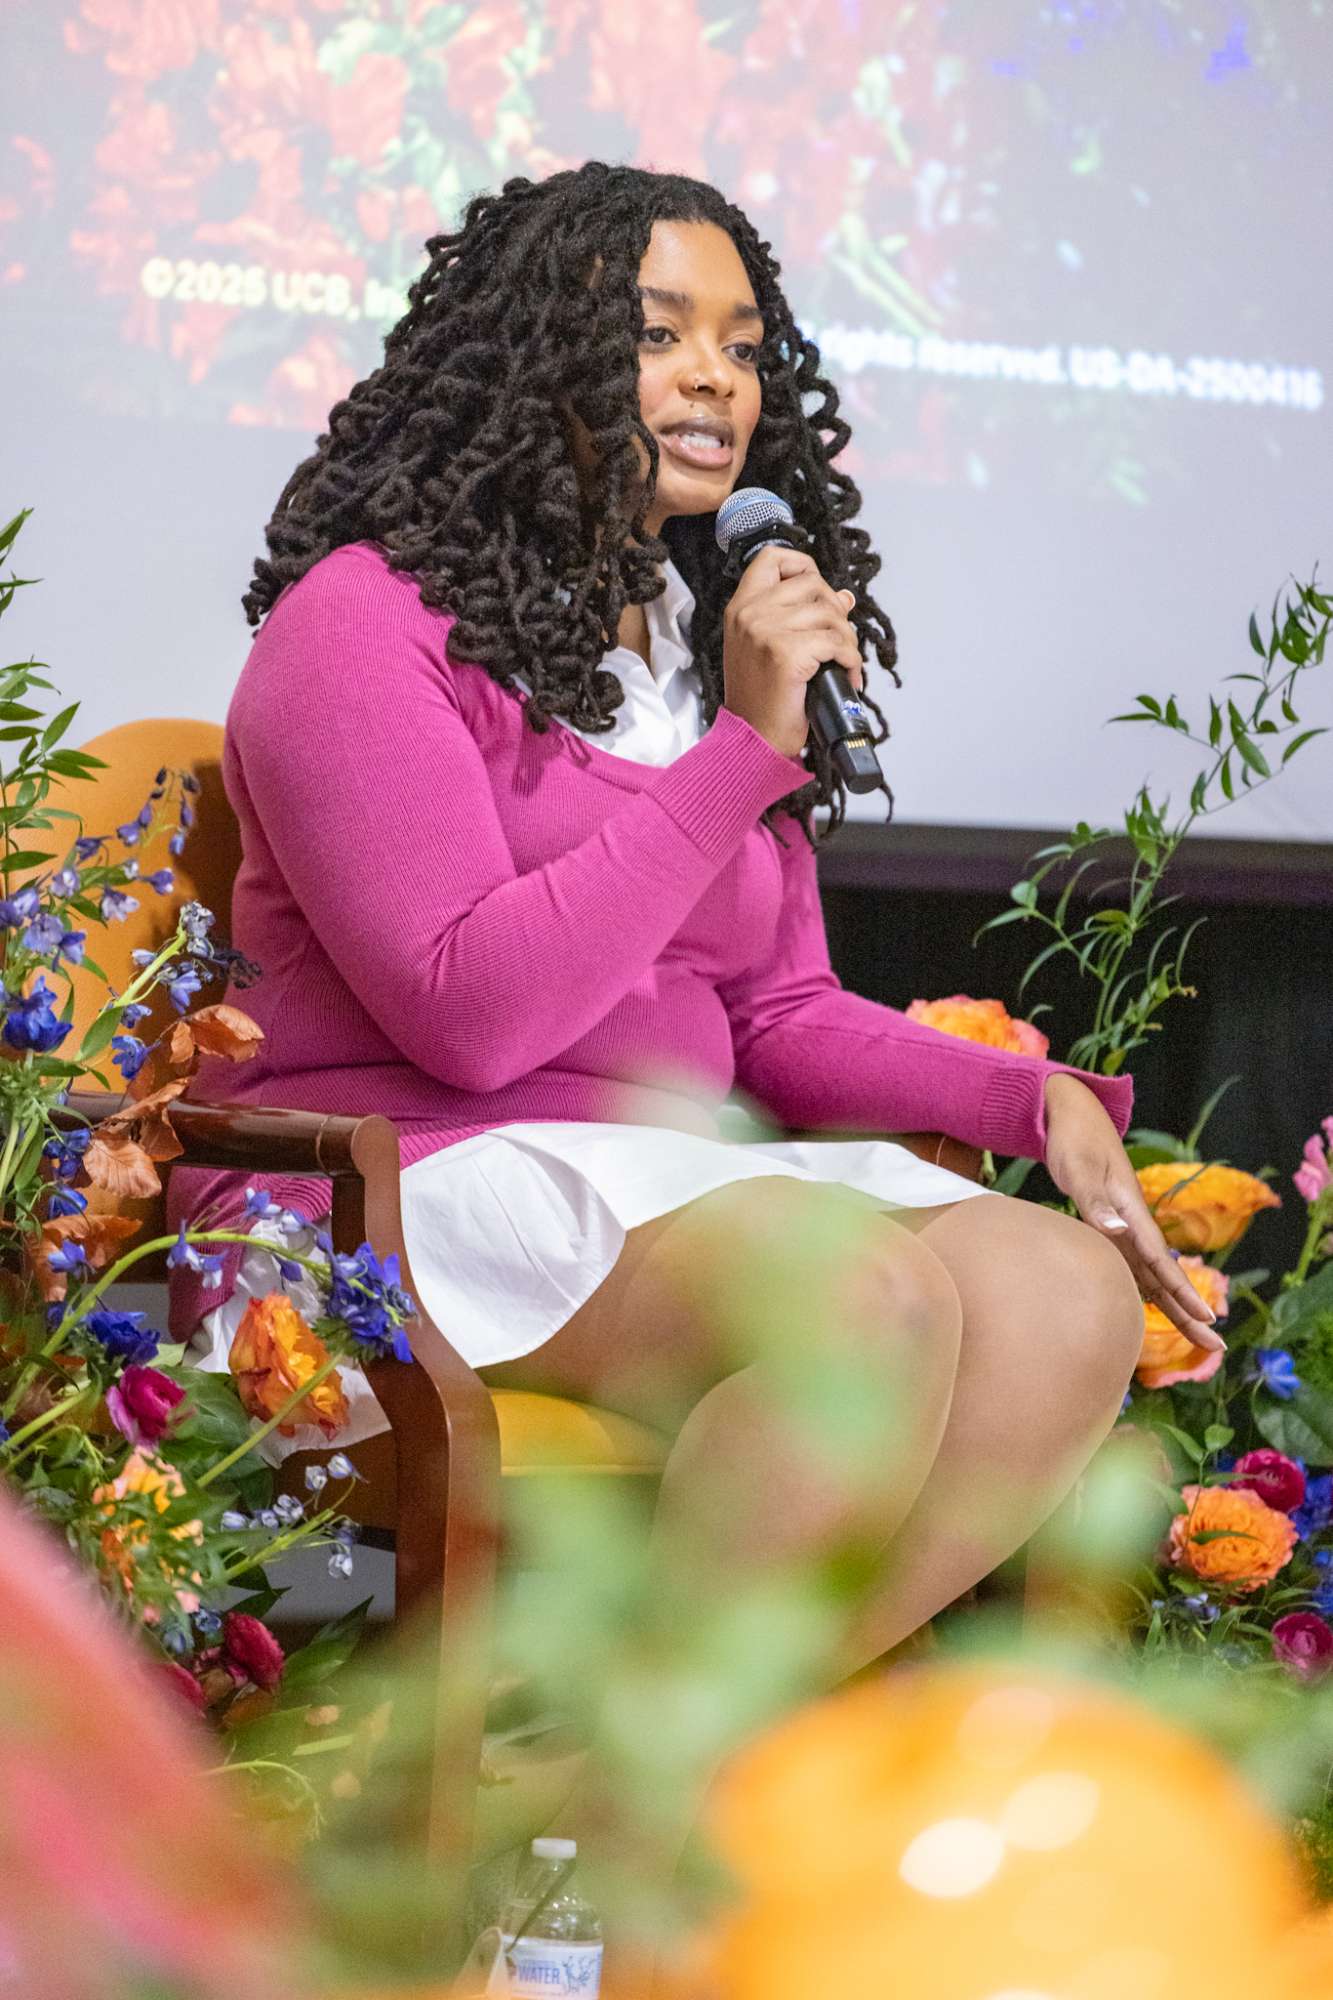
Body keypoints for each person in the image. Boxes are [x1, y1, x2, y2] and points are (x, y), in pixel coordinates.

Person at [167, 161, 1220, 1670]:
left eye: (740, 343)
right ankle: (647, 1798)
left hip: (639, 1179)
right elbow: (471, 1019)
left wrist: (1026, 1095)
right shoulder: (363, 625)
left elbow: (769, 1010)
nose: (715, 376)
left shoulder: (693, 644)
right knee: (850, 1300)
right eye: (659, 334)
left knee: (1061, 1298)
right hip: (385, 1186)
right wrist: (739, 753)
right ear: (533, 358)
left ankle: (685, 1768)